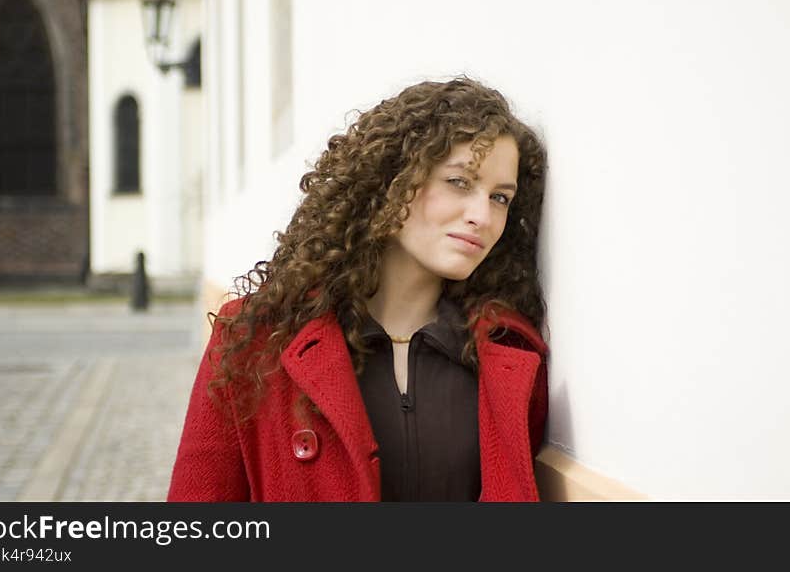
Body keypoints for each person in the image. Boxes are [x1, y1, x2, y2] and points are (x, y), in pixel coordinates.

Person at [168, 76, 549, 502]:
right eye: (459, 182)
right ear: (392, 182)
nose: (482, 215)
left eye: (500, 197)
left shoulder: (510, 357)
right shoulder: (252, 341)